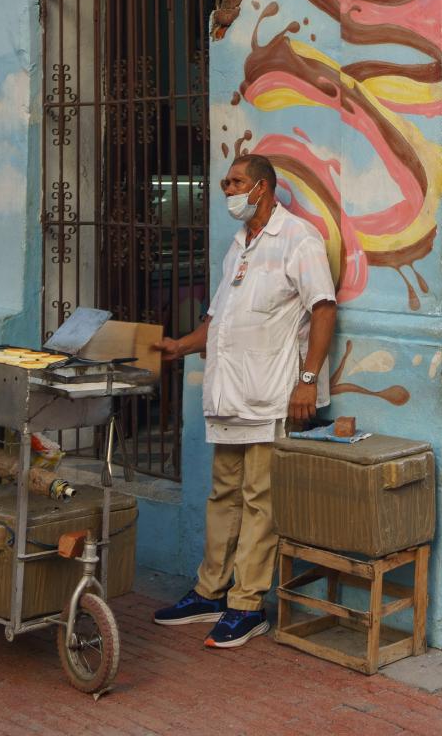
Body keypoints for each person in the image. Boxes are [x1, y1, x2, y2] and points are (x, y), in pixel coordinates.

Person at [152, 153, 336, 649]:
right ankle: (210, 590)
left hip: (273, 394)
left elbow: (323, 311)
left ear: (262, 188)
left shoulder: (298, 238)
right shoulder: (239, 245)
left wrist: (307, 380)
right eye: (225, 181)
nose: (225, 189)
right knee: (223, 495)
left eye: (235, 182)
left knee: (260, 500)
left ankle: (247, 604)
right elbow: (217, 321)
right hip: (230, 394)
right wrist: (181, 346)